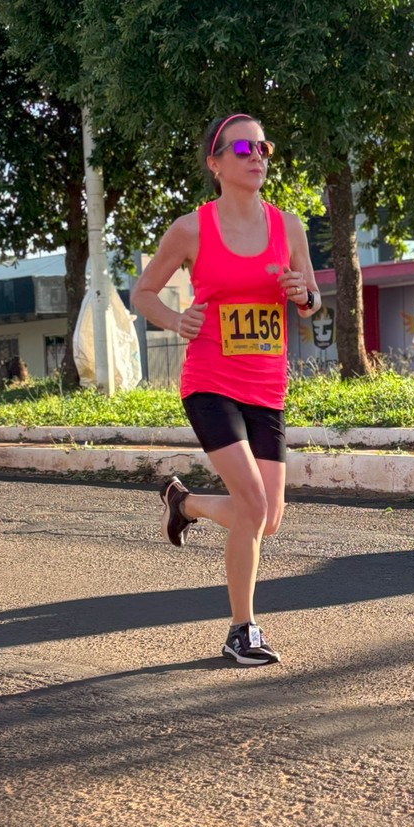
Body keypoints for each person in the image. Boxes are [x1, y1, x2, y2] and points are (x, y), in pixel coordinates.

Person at [130, 112, 320, 667]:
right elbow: (143, 293)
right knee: (254, 506)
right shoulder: (191, 229)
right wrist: (175, 321)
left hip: (267, 387)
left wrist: (301, 295)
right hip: (210, 383)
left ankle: (183, 503)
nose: (257, 155)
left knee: (267, 518)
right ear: (215, 163)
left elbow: (312, 300)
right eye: (242, 148)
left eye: (264, 146)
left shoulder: (289, 227)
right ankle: (243, 630)